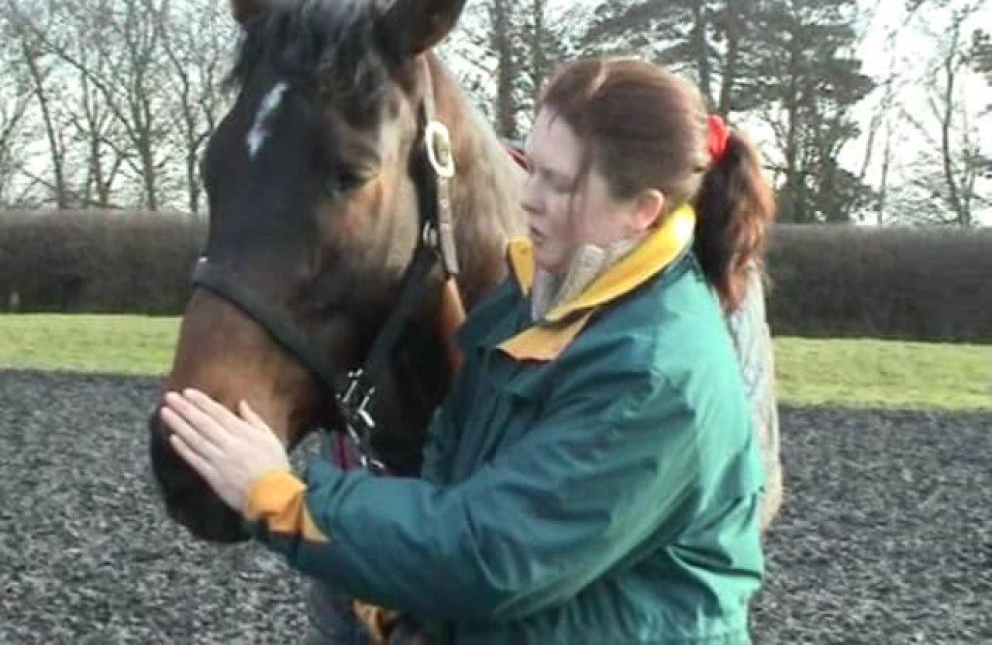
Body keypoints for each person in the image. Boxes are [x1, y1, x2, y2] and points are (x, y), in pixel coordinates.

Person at [160, 57, 777, 644]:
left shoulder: (655, 370)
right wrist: (400, 586)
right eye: (530, 167)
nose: (527, 197)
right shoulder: (534, 299)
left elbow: (492, 557)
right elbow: (451, 463)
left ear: (640, 212)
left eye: (557, 183)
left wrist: (278, 495)